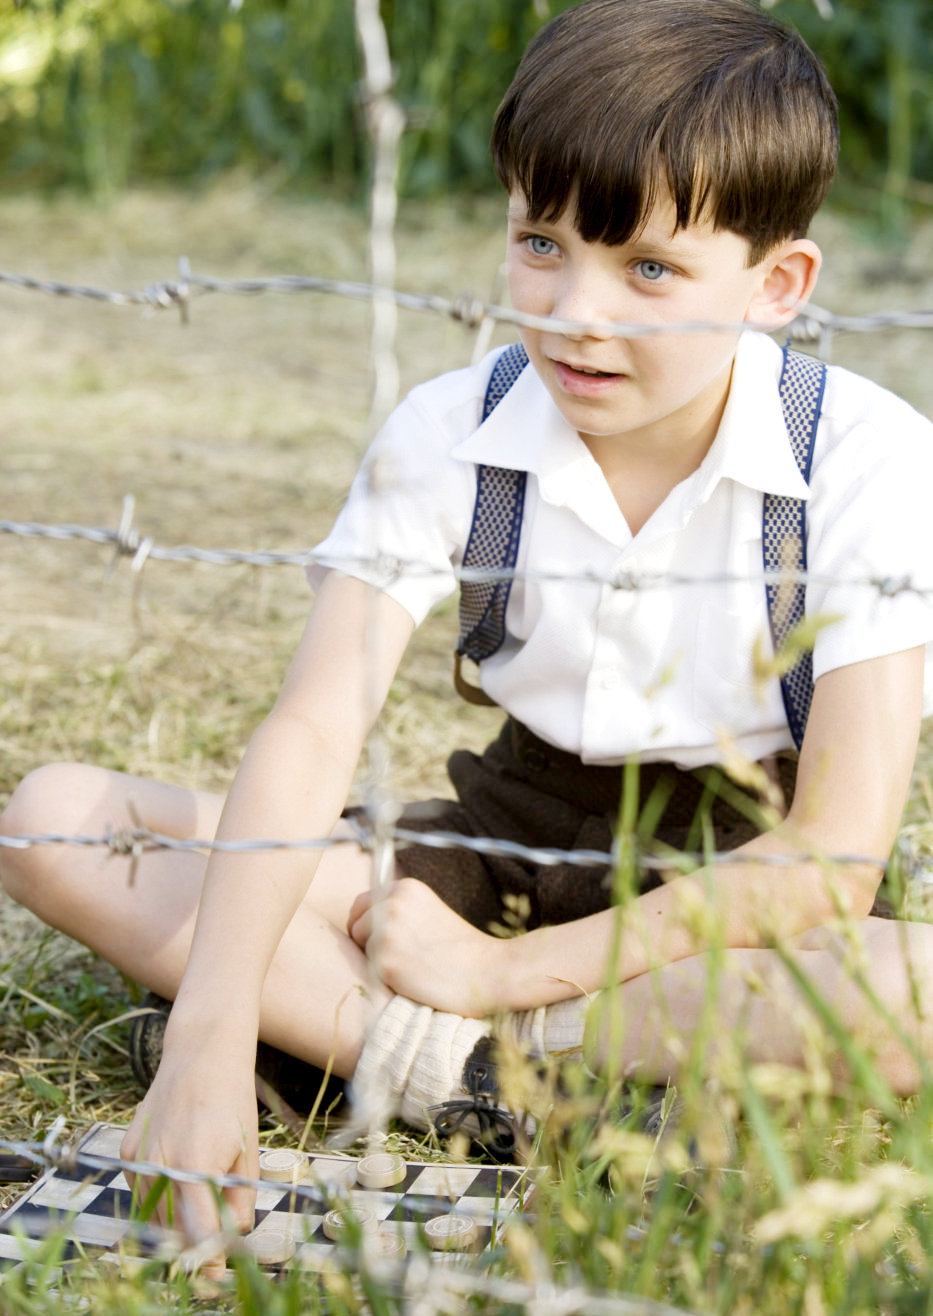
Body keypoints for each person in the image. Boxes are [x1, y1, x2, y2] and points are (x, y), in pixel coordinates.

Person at [3, 0, 933, 1273]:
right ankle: (544, 1077)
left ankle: (414, 1052)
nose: (575, 313)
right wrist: (211, 1041)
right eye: (540, 243)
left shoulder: (867, 460)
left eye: (647, 268)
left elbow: (829, 854)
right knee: (55, 817)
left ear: (778, 284)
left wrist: (499, 976)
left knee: (915, 988)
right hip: (500, 828)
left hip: (732, 871)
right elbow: (318, 723)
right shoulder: (458, 427)